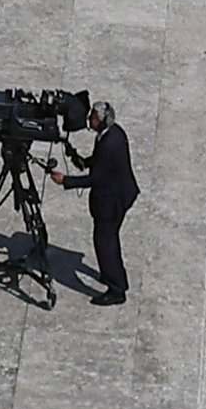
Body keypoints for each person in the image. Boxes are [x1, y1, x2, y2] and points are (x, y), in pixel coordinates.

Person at [72, 100, 137, 308]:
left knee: (105, 242)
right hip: (118, 195)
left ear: (101, 120)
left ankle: (116, 288)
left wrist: (66, 180)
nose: (89, 119)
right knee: (108, 240)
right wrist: (85, 161)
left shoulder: (110, 143)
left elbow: (95, 179)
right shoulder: (111, 134)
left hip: (112, 202)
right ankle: (115, 276)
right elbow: (101, 162)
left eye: (92, 116)